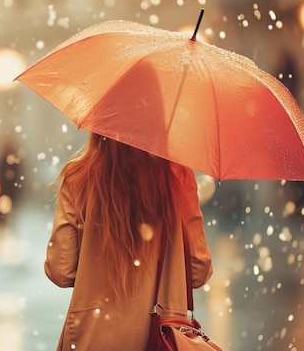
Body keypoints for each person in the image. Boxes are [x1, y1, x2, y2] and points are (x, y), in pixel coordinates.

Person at [45, 132, 213, 351]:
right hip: (160, 338)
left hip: (92, 336)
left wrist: (94, 270)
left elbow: (60, 271)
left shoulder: (78, 178)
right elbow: (198, 271)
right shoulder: (178, 179)